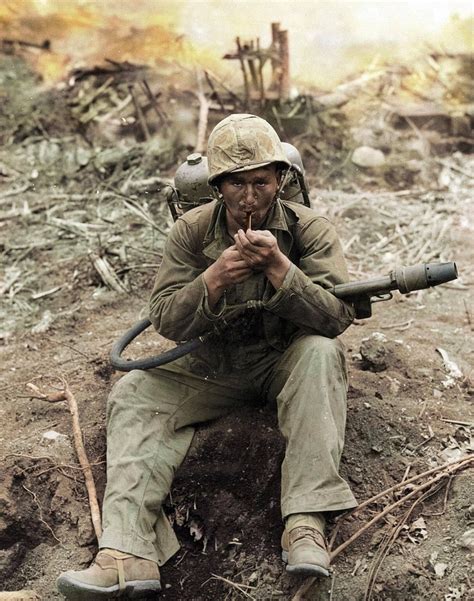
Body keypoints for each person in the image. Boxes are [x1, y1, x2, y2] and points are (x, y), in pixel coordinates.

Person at [57, 114, 357, 600]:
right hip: (215, 365)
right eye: (235, 184)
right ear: (217, 185)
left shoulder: (310, 230)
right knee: (135, 393)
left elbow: (336, 317)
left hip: (287, 360)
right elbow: (166, 321)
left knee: (322, 353)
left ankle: (304, 524)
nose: (249, 197)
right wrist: (213, 278)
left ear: (280, 180)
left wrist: (282, 270)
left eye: (261, 181)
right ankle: (126, 553)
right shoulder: (192, 232)